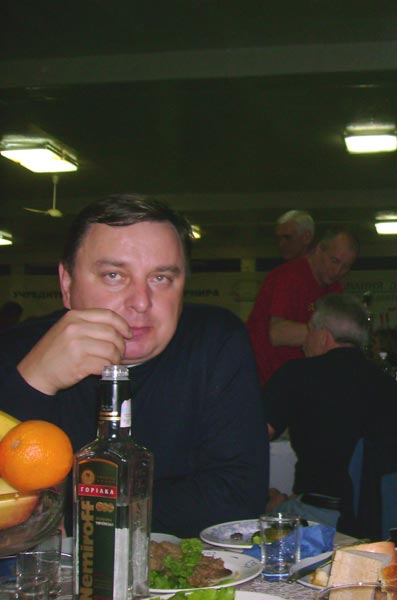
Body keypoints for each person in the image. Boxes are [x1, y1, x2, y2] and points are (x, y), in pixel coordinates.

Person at [0, 194, 269, 538]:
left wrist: (78, 516)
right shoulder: (16, 351)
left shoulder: (214, 341)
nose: (141, 302)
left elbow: (239, 495)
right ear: (67, 284)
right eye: (114, 275)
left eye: (161, 278)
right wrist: (34, 383)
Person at [263, 294, 397, 530]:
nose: (304, 341)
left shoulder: (297, 374)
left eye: (309, 330)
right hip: (383, 518)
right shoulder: (393, 388)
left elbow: (253, 437)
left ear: (324, 336)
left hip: (321, 519)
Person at [246, 227, 358, 385]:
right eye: (334, 261)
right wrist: (335, 335)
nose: (337, 271)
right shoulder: (290, 277)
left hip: (296, 378)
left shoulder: (335, 288)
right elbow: (277, 333)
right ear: (319, 249)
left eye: (346, 267)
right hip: (262, 378)